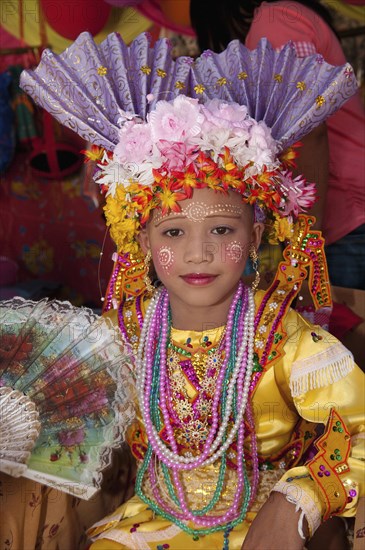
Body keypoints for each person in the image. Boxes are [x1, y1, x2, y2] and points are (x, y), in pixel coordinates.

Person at [19, 33, 364, 549]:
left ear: (256, 236)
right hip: (147, 525)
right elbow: (56, 421)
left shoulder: (287, 342)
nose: (197, 254)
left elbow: (358, 430)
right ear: (141, 240)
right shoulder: (120, 338)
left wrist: (298, 503)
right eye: (174, 232)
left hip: (265, 531)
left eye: (222, 230)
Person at [190, 0, 365, 291]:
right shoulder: (287, 16)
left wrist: (304, 249)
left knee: (336, 329)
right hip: (345, 207)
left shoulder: (275, 22)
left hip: (342, 212)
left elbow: (308, 131)